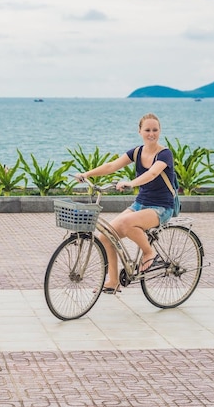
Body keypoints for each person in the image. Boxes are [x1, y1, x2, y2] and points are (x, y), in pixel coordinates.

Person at [74, 113, 176, 294]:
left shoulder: (165, 154)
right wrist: (87, 174)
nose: (151, 134)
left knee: (126, 223)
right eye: (147, 130)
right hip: (140, 204)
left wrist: (131, 183)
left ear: (159, 131)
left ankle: (149, 253)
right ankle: (113, 281)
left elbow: (152, 174)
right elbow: (112, 166)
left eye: (155, 130)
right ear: (140, 131)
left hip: (162, 206)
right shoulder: (137, 152)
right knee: (106, 236)